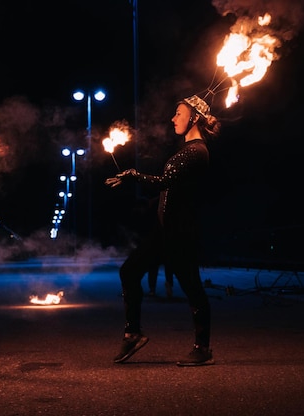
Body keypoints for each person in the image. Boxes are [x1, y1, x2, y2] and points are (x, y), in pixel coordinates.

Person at [105, 95, 220, 366]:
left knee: (192, 287)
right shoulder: (186, 151)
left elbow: (165, 181)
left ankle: (202, 349)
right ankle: (132, 333)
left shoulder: (197, 151)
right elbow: (171, 188)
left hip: (180, 231)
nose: (173, 118)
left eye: (178, 113)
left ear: (194, 118)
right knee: (129, 271)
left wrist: (134, 175)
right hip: (164, 230)